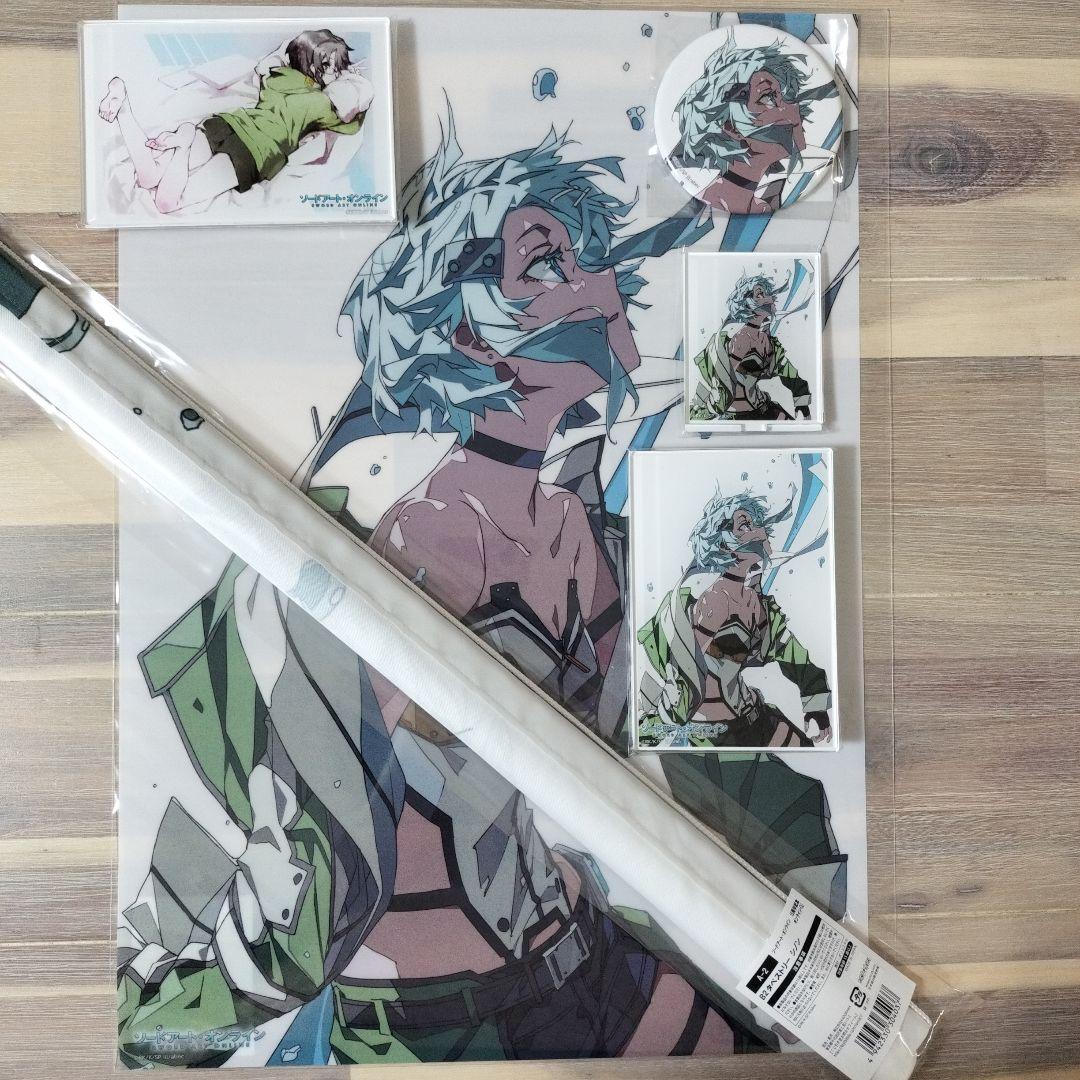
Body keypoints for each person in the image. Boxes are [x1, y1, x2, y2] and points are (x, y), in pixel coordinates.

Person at [97, 29, 374, 214]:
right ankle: (181, 147)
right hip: (254, 152)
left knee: (149, 177)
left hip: (224, 125)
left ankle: (126, 111)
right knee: (168, 203)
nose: (338, 73)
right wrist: (349, 81)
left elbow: (268, 62)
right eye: (335, 67)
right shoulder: (324, 103)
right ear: (318, 68)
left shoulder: (277, 76)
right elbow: (355, 109)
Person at [637, 489, 833, 749]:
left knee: (806, 760)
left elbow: (789, 651)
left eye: (756, 524)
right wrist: (652, 729)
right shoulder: (713, 601)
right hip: (713, 736)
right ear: (722, 545)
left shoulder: (754, 601)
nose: (759, 532)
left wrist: (815, 702)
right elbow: (680, 670)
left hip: (755, 718)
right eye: (744, 526)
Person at [670, 32, 837, 214]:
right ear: (730, 127)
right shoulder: (712, 208)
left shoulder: (762, 204)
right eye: (767, 98)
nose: (791, 110)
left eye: (785, 97)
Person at [689, 270, 811, 421]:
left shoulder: (765, 339)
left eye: (766, 293)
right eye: (759, 294)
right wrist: (704, 412)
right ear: (745, 304)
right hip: (736, 418)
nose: (769, 297)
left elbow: (786, 371)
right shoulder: (740, 339)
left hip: (764, 409)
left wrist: (801, 399)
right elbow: (720, 381)